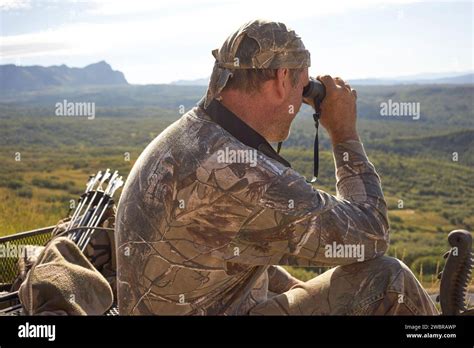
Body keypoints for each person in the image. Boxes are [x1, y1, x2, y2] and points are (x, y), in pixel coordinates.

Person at [115, 19, 438, 315]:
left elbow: (226, 250)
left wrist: (292, 288)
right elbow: (372, 235)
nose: (300, 102)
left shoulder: (192, 134)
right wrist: (344, 134)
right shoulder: (242, 172)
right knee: (387, 279)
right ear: (283, 78)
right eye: (302, 87)